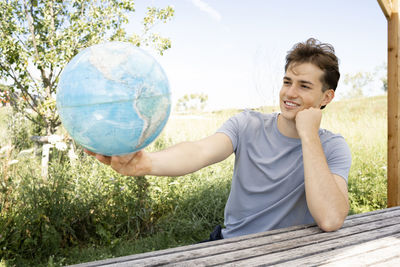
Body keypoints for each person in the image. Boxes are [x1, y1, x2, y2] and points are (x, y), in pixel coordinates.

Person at [85, 38, 352, 241]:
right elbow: (200, 151)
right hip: (231, 247)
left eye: (304, 86)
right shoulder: (247, 124)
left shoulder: (332, 147)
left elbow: (330, 218)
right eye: (287, 81)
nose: (290, 93)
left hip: (291, 252)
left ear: (326, 98)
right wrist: (146, 163)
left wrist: (308, 135)